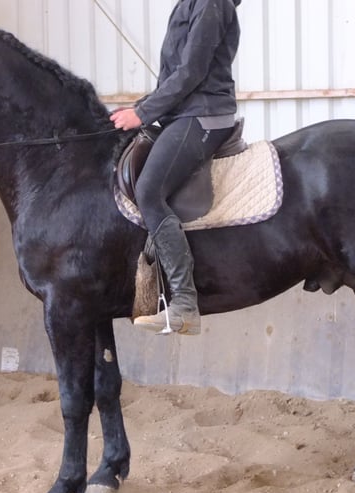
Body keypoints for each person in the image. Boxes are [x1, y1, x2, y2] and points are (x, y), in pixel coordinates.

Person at [111, 0, 242, 336]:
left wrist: (143, 112)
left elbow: (192, 71)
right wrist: (143, 108)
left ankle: (184, 303)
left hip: (204, 114)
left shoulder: (211, 3)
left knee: (149, 191)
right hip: (183, 113)